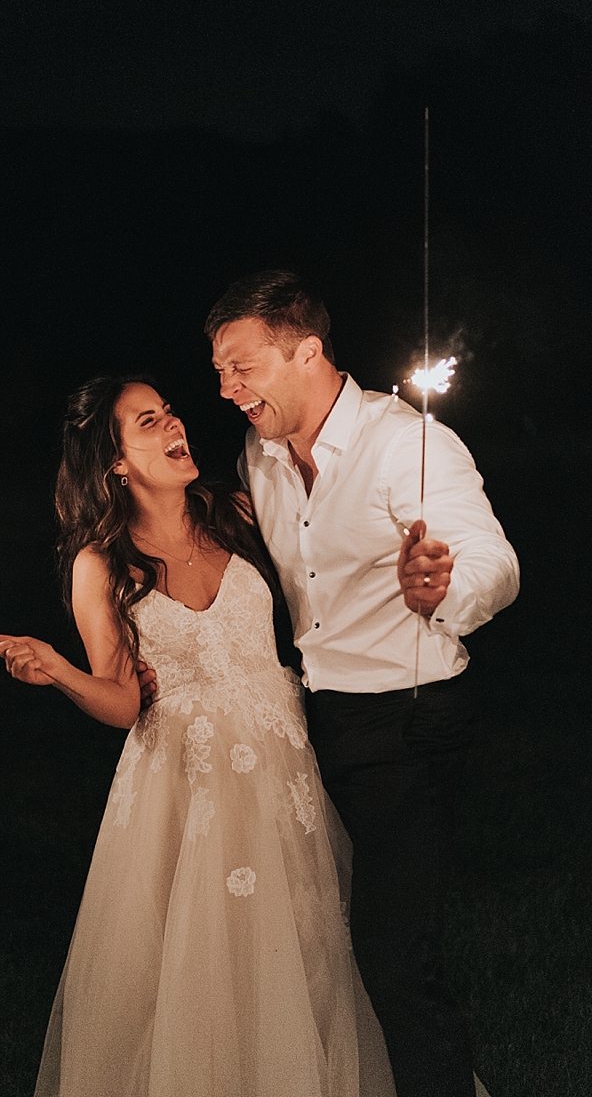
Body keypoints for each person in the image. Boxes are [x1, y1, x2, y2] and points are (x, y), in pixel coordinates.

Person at [0, 374, 397, 1097]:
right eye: (148, 422)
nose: (174, 424)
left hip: (284, 769)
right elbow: (121, 700)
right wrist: (57, 670)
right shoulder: (102, 563)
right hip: (188, 787)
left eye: (170, 411)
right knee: (204, 958)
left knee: (305, 944)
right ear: (115, 461)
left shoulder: (234, 514)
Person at [198, 269, 519, 1097]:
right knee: (316, 942)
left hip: (412, 728)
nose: (227, 388)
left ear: (308, 352)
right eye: (220, 372)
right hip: (317, 725)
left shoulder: (404, 443)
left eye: (243, 367)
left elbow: (494, 562)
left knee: (393, 959)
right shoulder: (260, 456)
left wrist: (444, 588)